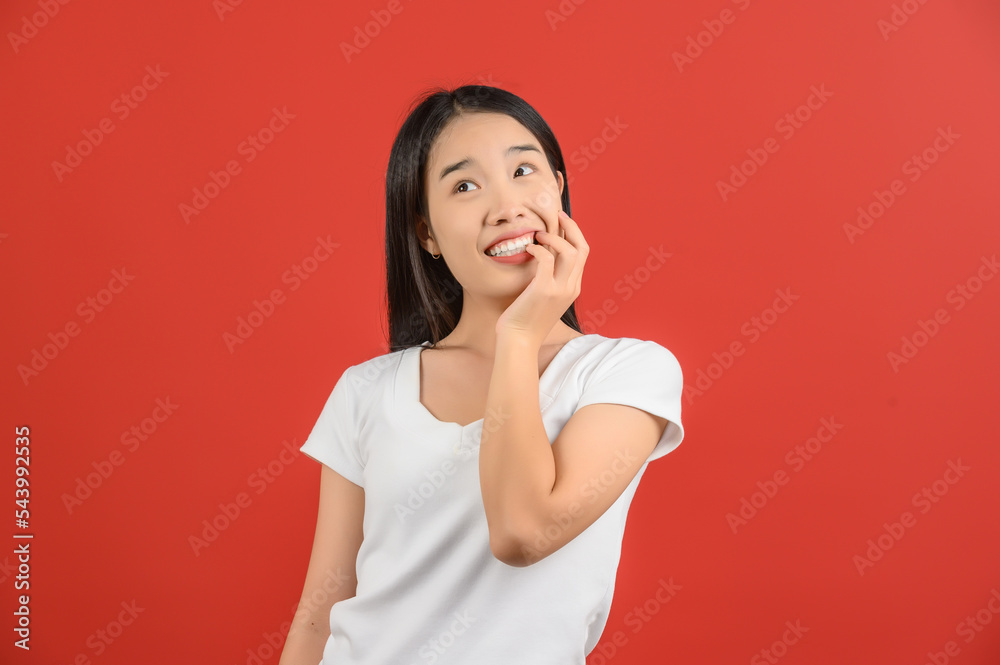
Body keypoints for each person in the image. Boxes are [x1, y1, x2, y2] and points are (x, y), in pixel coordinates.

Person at [278, 84, 685, 665]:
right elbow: (321, 610)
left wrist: (518, 337)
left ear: (559, 191)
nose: (506, 206)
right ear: (426, 233)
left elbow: (522, 532)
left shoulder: (624, 373)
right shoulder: (367, 390)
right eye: (464, 185)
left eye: (524, 170)